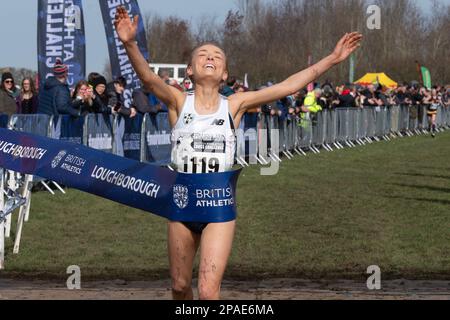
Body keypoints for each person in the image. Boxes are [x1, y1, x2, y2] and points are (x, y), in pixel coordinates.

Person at [115, 6, 362, 300]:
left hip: (219, 205)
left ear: (225, 74)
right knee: (180, 286)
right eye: (203, 54)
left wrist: (333, 59)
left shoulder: (235, 104)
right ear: (190, 70)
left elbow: (287, 86)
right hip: (181, 202)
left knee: (208, 291)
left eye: (217, 56)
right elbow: (148, 80)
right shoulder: (178, 101)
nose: (210, 57)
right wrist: (129, 43)